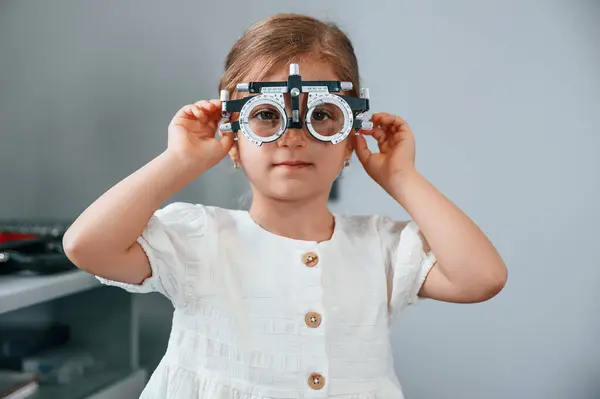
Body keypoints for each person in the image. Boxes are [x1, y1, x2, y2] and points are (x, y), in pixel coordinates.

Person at [62, 13, 507, 399]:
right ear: (233, 139)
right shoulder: (198, 239)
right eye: (267, 114)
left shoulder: (381, 247)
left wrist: (401, 177)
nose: (294, 136)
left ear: (350, 138)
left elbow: (481, 278)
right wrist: (178, 161)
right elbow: (87, 246)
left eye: (321, 115)